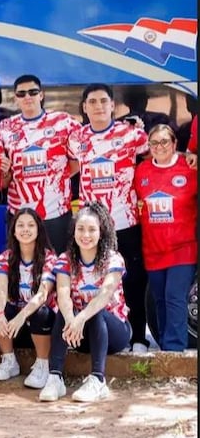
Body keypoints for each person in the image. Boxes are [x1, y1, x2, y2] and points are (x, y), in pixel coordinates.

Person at [68, 83, 150, 352]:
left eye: (104, 101)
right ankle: (96, 335)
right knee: (94, 282)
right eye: (92, 101)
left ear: (113, 105)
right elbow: (68, 167)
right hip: (93, 228)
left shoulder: (131, 134)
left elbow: (154, 157)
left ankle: (137, 337)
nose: (98, 106)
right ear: (84, 107)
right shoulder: (76, 139)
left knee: (133, 281)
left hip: (125, 223)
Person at [39, 201, 132, 403]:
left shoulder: (113, 259)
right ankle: (55, 377)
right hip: (78, 334)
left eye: (92, 229)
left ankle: (98, 380)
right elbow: (63, 294)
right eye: (81, 229)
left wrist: (80, 317)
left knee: (96, 310)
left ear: (102, 232)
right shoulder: (65, 260)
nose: (86, 235)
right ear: (73, 232)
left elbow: (105, 294)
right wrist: (73, 319)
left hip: (114, 332)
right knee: (62, 312)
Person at [0, 75, 80, 254]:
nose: (28, 97)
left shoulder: (63, 122)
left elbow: (85, 154)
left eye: (33, 92)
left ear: (41, 95)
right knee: (22, 269)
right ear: (16, 98)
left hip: (56, 213)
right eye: (22, 93)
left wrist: (58, 175)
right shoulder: (4, 128)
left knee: (58, 267)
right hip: (19, 215)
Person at [134, 124, 197, 352]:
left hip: (183, 248)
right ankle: (163, 345)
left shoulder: (189, 168)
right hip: (153, 248)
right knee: (159, 300)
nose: (159, 147)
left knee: (174, 297)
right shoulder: (141, 171)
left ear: (174, 144)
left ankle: (174, 350)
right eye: (154, 143)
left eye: (164, 142)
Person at [0, 208, 56, 389]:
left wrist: (21, 317)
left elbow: (42, 294)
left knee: (41, 313)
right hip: (14, 330)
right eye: (20, 225)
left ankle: (43, 364)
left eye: (30, 225)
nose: (25, 229)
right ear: (13, 230)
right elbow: (1, 289)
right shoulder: (6, 257)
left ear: (38, 229)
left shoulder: (49, 258)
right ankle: (9, 360)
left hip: (41, 327)